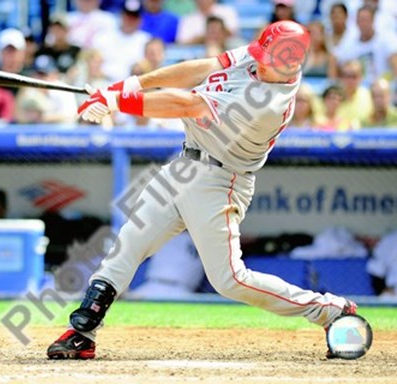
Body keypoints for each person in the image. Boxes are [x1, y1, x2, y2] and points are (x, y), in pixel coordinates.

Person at [47, 20, 360, 360]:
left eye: (267, 57)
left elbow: (187, 104)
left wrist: (118, 101)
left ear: (291, 64)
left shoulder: (267, 104)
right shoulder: (263, 58)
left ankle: (329, 310)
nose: (257, 60)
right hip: (183, 165)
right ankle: (83, 330)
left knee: (230, 280)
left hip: (220, 183)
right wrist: (130, 84)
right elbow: (201, 69)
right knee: (128, 243)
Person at [329, 5, 397, 85]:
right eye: (361, 20)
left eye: (366, 20)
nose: (364, 23)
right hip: (358, 89)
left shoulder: (386, 39)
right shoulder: (350, 41)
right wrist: (334, 85)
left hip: (382, 88)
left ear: (373, 21)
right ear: (356, 22)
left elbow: (395, 63)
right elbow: (334, 59)